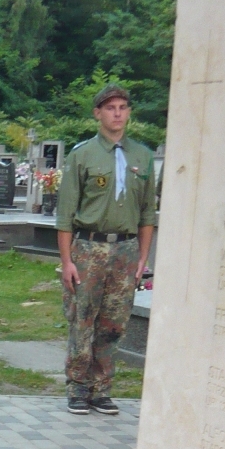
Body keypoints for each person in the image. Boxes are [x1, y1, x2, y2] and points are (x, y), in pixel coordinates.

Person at [55, 84, 157, 416]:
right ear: (98, 113)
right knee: (82, 319)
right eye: (110, 108)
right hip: (89, 248)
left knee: (114, 323)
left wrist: (142, 258)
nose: (117, 113)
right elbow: (65, 214)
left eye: (123, 107)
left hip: (125, 250)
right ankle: (77, 387)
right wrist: (67, 261)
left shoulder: (142, 156)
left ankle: (101, 389)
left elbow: (147, 213)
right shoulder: (82, 155)